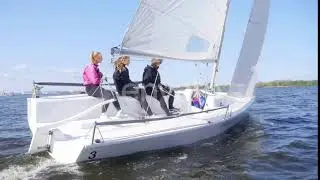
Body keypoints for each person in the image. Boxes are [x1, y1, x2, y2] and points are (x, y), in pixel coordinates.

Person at [83, 51, 122, 116]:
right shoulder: (91, 67)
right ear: (95, 58)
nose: (102, 58)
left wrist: (100, 75)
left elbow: (97, 76)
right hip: (91, 89)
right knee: (109, 95)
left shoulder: (95, 67)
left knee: (113, 93)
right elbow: (95, 81)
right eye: (100, 57)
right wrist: (101, 79)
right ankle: (103, 114)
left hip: (96, 88)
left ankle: (119, 111)